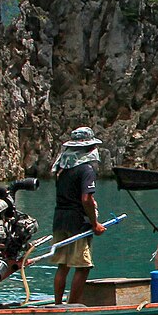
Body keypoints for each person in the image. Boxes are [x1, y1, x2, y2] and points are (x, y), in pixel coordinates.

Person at [50, 126, 108, 304]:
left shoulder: (62, 169)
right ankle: (72, 305)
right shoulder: (86, 170)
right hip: (77, 221)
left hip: (60, 219)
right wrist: (95, 223)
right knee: (83, 266)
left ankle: (58, 303)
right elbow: (86, 199)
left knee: (63, 265)